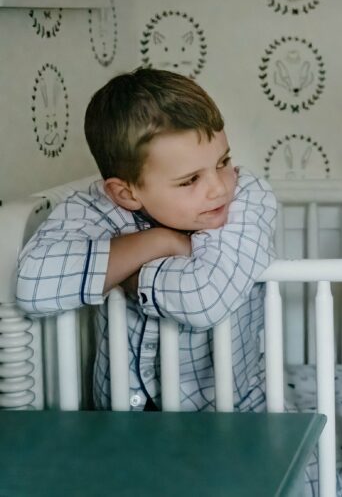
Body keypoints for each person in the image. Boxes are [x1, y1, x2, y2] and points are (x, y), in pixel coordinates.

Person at [17, 67, 276, 412]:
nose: (218, 187)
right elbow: (32, 286)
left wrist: (123, 272)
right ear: (126, 193)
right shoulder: (97, 208)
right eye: (190, 180)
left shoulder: (247, 197)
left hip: (228, 417)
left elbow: (205, 299)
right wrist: (160, 241)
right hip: (124, 419)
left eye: (223, 161)